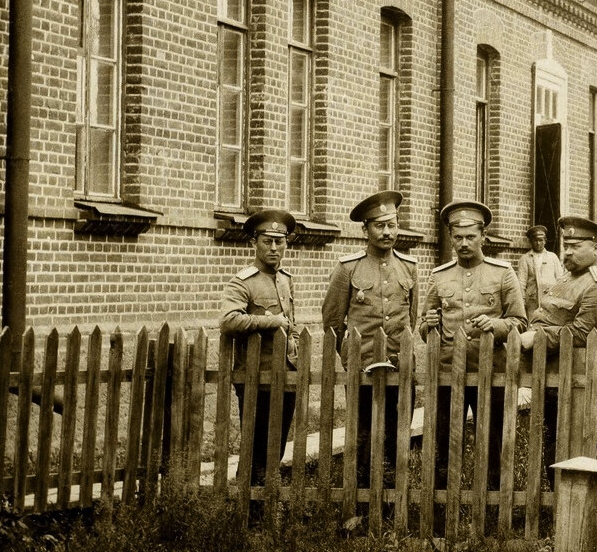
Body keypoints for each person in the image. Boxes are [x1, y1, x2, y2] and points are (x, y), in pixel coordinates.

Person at [421, 201, 526, 504]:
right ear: (451, 238)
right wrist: (428, 324)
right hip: (446, 372)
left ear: (483, 236)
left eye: (470, 237)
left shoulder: (503, 274)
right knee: (444, 440)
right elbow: (423, 326)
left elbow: (520, 321)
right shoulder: (439, 276)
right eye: (457, 237)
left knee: (491, 441)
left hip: (490, 371)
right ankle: (441, 505)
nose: (464, 244)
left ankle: (491, 505)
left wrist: (495, 324)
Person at [321, 190, 419, 487]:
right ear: (365, 230)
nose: (387, 231)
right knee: (362, 433)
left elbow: (410, 319)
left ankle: (391, 496)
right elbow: (333, 321)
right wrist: (352, 357)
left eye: (392, 224)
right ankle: (361, 495)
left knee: (397, 430)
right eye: (379, 225)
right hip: (363, 365)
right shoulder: (348, 268)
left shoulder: (409, 266)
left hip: (399, 365)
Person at [520, 216, 597, 481]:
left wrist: (536, 338)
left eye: (576, 245)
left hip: (577, 379)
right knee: (556, 441)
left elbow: (584, 333)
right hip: (557, 375)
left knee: (574, 445)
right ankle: (558, 504)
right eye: (567, 245)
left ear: (596, 248)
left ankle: (583, 502)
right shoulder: (572, 275)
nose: (569, 251)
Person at [220, 209, 299, 493]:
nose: (274, 248)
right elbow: (228, 320)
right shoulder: (243, 281)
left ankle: (265, 499)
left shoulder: (286, 279)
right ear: (255, 242)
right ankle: (246, 504)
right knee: (255, 446)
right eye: (267, 241)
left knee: (276, 447)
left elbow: (292, 324)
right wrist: (270, 321)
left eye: (280, 241)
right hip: (257, 378)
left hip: (287, 376)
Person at [516, 224, 564, 316]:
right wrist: (522, 302)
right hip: (532, 301)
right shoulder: (525, 259)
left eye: (541, 240)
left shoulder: (553, 257)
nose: (538, 243)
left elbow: (560, 280)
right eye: (535, 241)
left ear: (545, 241)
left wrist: (559, 299)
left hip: (550, 300)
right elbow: (521, 283)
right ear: (531, 241)